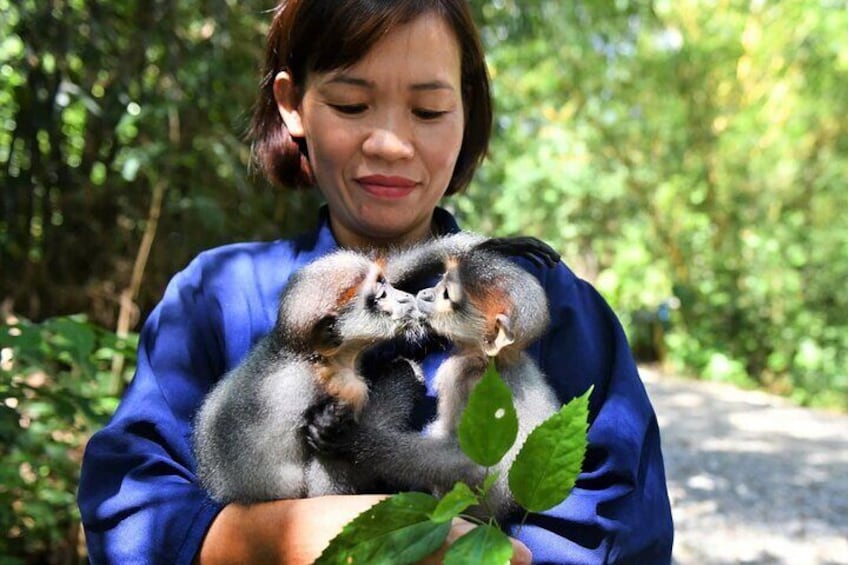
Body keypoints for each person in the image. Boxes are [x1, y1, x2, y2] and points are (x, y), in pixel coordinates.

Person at [77, 1, 674, 563]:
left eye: (429, 111)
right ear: (292, 104)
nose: (390, 144)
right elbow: (132, 504)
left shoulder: (557, 309)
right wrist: (274, 541)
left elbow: (620, 527)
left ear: (467, 110)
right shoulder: (217, 297)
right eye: (351, 105)